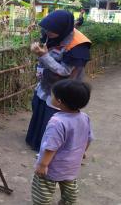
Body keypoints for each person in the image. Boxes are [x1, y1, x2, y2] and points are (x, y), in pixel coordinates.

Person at [26, 10, 91, 151]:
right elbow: (47, 50)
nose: (47, 32)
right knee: (39, 107)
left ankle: (49, 148)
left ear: (62, 29)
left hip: (64, 87)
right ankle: (35, 140)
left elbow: (65, 71)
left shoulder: (78, 45)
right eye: (46, 28)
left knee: (53, 117)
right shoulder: (52, 34)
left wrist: (43, 56)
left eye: (51, 30)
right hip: (47, 83)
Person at [32, 79, 93, 205]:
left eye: (53, 95)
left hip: (52, 167)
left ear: (59, 101)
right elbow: (88, 138)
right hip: (71, 166)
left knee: (42, 193)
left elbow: (51, 147)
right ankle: (67, 202)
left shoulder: (57, 122)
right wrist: (82, 152)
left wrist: (43, 165)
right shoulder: (84, 118)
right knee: (69, 189)